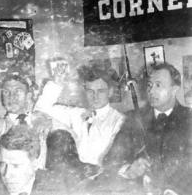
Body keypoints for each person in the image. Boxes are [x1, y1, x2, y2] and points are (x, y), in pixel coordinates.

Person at [35, 64, 127, 169]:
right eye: (90, 91)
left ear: (110, 92)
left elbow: (119, 163)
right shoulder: (76, 114)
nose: (94, 96)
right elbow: (41, 109)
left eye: (100, 91)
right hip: (75, 179)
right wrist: (57, 83)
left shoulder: (119, 121)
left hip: (102, 180)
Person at [120, 63, 192, 195]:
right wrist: (128, 170)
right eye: (149, 85)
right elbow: (111, 159)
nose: (151, 91)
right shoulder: (134, 118)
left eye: (158, 85)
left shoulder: (189, 119)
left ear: (174, 89)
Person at [0, 125, 72, 195]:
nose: (7, 174)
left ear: (35, 163)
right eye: (3, 164)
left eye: (16, 166)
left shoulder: (55, 185)